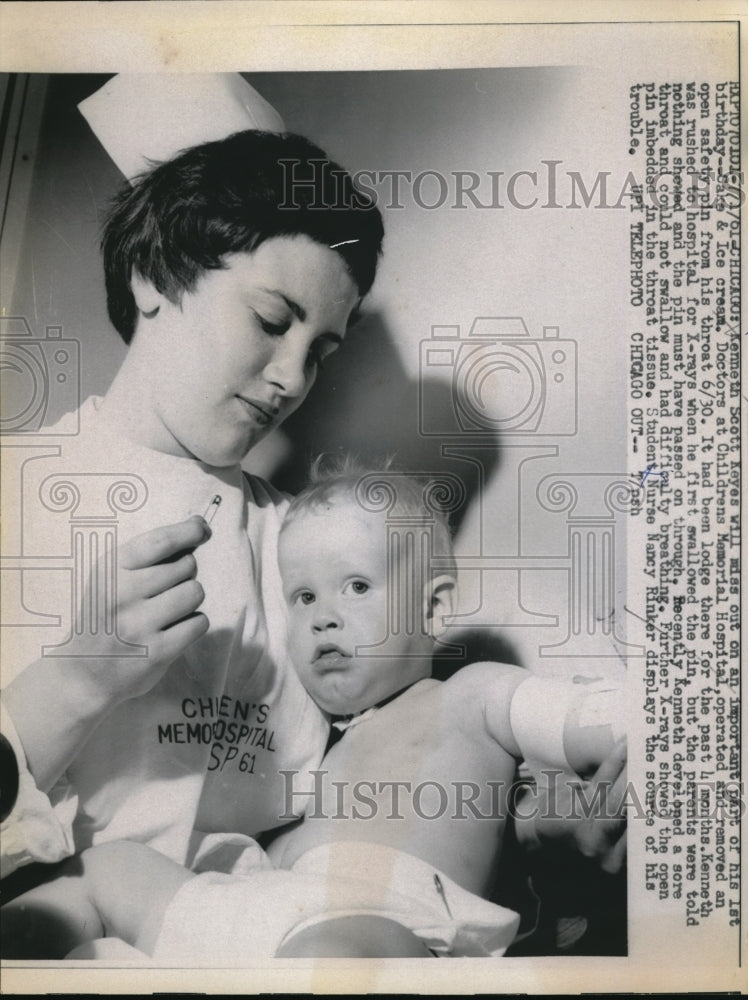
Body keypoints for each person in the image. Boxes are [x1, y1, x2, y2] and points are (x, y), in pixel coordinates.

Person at [2, 461, 627, 961]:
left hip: (384, 922)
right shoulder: (315, 744)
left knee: (350, 956)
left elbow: (593, 725)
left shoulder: (473, 695)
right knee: (104, 869)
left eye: (356, 586)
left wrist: (574, 823)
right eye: (303, 596)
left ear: (434, 610)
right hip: (267, 906)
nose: (322, 615)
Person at [0, 74, 385, 882]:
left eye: (319, 352)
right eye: (271, 321)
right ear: (154, 278)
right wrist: (74, 680)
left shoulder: (299, 546)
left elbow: (362, 769)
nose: (290, 379)